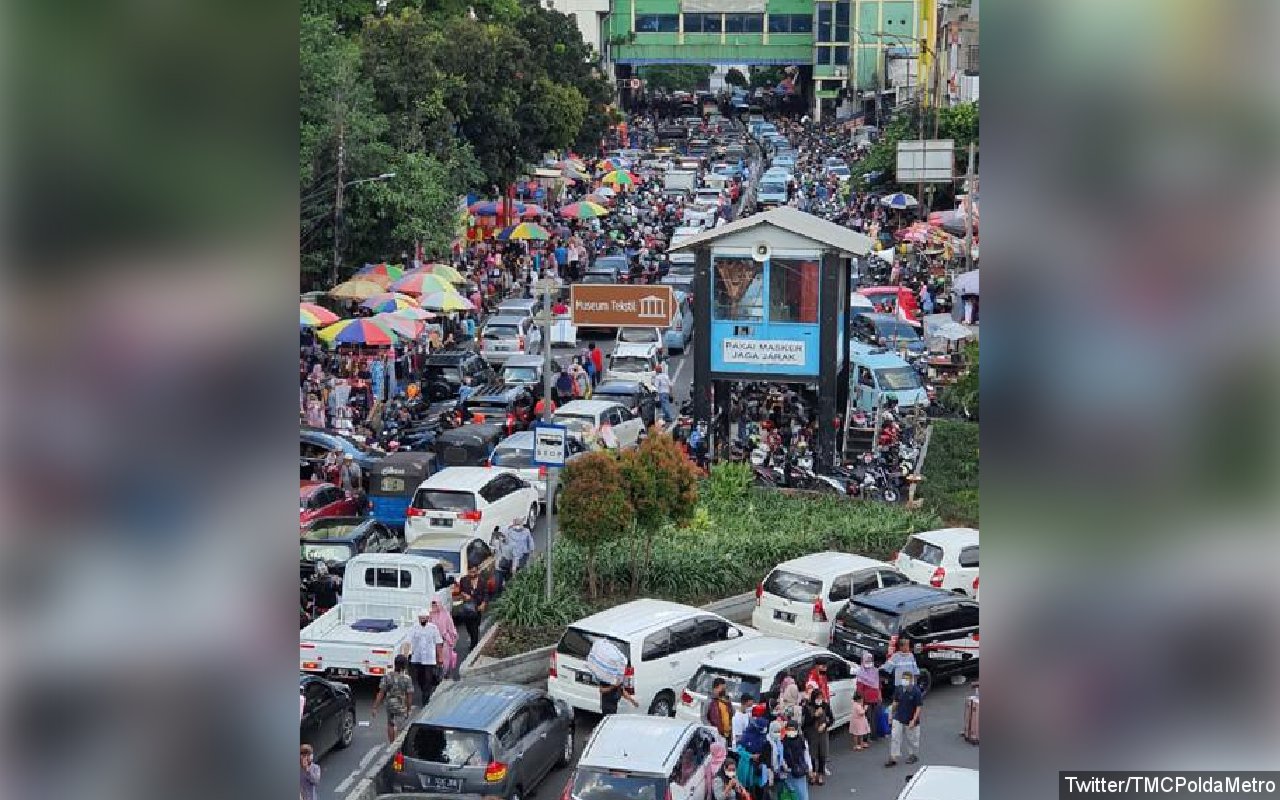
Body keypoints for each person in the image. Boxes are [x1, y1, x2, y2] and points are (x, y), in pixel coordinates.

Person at [405, 607, 444, 707]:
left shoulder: (433, 628)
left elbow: (438, 642)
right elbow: (408, 642)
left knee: (428, 678)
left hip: (429, 659)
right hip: (417, 658)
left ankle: (425, 698)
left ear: (428, 618)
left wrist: (440, 657)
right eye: (421, 618)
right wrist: (405, 656)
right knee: (419, 678)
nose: (422, 620)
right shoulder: (414, 628)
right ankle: (424, 691)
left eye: (424, 618)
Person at [371, 654, 414, 743]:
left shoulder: (388, 676)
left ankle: (391, 742)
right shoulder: (407, 679)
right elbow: (409, 695)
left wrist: (375, 707)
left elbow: (381, 692)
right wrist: (409, 709)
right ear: (405, 665)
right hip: (401, 706)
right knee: (400, 727)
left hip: (390, 704)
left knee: (390, 724)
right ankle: (397, 745)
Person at [885, 671, 924, 767]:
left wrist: (913, 720)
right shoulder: (899, 689)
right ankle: (893, 757)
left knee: (912, 738)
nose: (905, 681)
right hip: (899, 717)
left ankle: (913, 754)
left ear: (911, 680)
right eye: (904, 679)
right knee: (895, 737)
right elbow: (895, 702)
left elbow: (918, 707)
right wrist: (890, 714)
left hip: (910, 719)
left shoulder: (916, 691)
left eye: (907, 679)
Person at [801, 688, 832, 785]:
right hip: (812, 734)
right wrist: (814, 716)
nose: (819, 700)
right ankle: (813, 774)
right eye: (817, 698)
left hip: (822, 733)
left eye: (821, 698)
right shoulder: (807, 707)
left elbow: (831, 719)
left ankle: (820, 774)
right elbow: (805, 723)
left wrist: (825, 725)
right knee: (812, 754)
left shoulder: (825, 706)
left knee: (822, 754)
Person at [456, 564, 489, 649]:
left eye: (474, 572)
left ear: (477, 571)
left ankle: (474, 644)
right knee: (469, 626)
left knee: (475, 626)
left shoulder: (482, 581)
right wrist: (464, 595)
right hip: (468, 607)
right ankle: (473, 641)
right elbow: (461, 592)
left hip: (478, 607)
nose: (472, 574)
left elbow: (485, 593)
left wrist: (483, 603)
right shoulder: (463, 580)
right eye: (470, 572)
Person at [427, 590, 459, 678]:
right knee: (435, 659)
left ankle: (445, 673)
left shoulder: (445, 615)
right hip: (433, 641)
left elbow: (451, 627)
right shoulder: (430, 615)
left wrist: (450, 637)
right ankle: (436, 675)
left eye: (435, 604)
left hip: (444, 640)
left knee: (445, 658)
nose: (434, 606)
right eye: (432, 604)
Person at [854, 652, 884, 741]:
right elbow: (859, 689)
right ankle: (865, 738)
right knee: (867, 719)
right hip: (866, 700)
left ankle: (874, 735)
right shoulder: (860, 674)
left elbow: (878, 685)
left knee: (875, 718)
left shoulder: (875, 671)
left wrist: (880, 696)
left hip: (875, 699)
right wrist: (861, 702)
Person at [779, 725, 811, 800]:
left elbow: (806, 754)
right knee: (791, 792)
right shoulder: (783, 742)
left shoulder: (801, 740)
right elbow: (781, 756)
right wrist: (784, 765)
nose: (790, 731)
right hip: (788, 771)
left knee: (802, 793)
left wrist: (810, 768)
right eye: (789, 729)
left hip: (800, 770)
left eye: (792, 729)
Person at [705, 678, 735, 742]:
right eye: (722, 689)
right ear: (715, 688)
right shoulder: (709, 702)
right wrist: (713, 731)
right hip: (715, 736)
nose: (724, 691)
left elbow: (732, 715)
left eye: (725, 689)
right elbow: (704, 718)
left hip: (727, 736)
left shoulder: (726, 700)